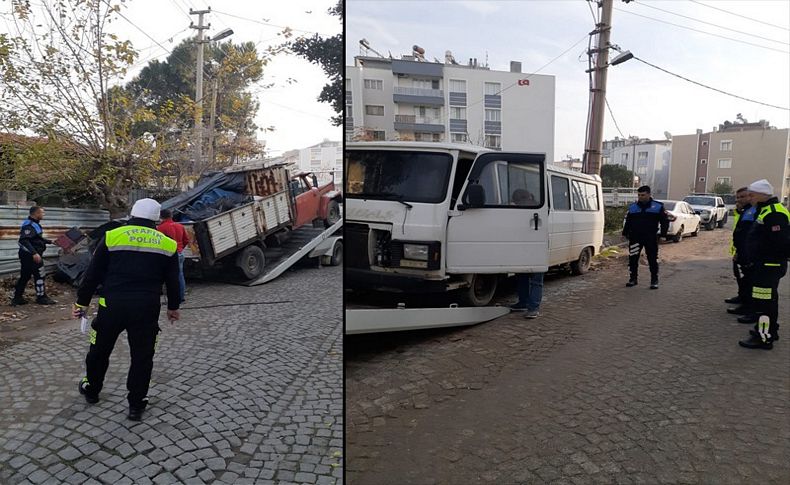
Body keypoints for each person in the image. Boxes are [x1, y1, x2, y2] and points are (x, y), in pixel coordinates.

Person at [74, 198, 181, 421]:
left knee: (99, 351)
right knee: (142, 356)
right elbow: (172, 280)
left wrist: (81, 303)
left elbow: (92, 274)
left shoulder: (112, 236)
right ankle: (136, 404)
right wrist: (173, 307)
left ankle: (92, 390)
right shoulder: (167, 244)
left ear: (132, 214)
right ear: (156, 219)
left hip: (111, 306)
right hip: (146, 308)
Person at [738, 179, 789, 350]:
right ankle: (769, 330)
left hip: (769, 266)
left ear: (762, 195)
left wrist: (760, 256)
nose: (749, 198)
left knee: (764, 304)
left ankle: (764, 337)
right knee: (765, 302)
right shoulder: (766, 209)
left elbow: (779, 243)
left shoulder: (775, 213)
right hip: (764, 265)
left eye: (752, 195)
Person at [622, 186, 670, 289]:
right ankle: (633, 279)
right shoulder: (633, 207)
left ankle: (654, 280)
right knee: (633, 259)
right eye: (639, 195)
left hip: (650, 237)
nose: (640, 197)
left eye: (643, 195)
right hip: (635, 237)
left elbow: (665, 222)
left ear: (648, 194)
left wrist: (663, 236)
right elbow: (628, 222)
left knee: (652, 259)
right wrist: (624, 234)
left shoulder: (658, 207)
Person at [12, 206, 56, 305]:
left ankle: (17, 298)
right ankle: (41, 297)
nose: (43, 215)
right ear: (36, 214)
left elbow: (37, 239)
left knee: (25, 276)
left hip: (29, 255)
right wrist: (34, 253)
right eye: (42, 213)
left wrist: (50, 241)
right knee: (40, 275)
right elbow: (24, 240)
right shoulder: (29, 225)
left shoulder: (34, 224)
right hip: (31, 256)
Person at [727, 187, 757, 316]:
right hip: (741, 249)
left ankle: (748, 305)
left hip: (749, 252)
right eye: (738, 197)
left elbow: (750, 234)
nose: (739, 199)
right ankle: (742, 298)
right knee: (741, 277)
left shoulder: (754, 210)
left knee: (749, 280)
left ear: (750, 196)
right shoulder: (744, 210)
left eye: (742, 197)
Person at [157, 209, 190, 303]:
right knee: (180, 276)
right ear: (171, 216)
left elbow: (160, 242)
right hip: (179, 253)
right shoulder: (180, 226)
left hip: (167, 254)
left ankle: (168, 298)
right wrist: (180, 248)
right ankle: (181, 297)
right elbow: (186, 240)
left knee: (166, 276)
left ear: (161, 217)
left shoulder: (161, 228)